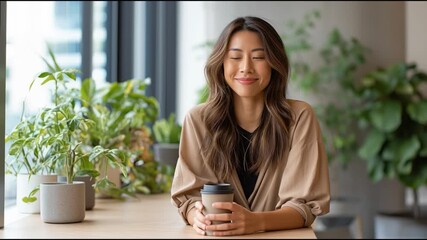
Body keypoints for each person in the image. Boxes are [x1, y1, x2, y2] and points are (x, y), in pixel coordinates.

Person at [170, 16, 330, 236]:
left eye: (259, 57)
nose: (246, 68)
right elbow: (188, 198)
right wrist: (195, 216)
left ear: (275, 63)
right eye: (235, 57)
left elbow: (304, 207)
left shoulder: (299, 118)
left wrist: (256, 222)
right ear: (221, 63)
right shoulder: (198, 120)